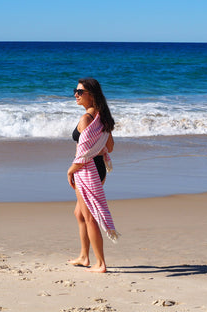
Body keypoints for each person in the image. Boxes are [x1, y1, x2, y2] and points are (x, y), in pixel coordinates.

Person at [67, 78, 119, 273]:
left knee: (89, 217)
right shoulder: (102, 118)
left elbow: (83, 154)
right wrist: (97, 150)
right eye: (76, 91)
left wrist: (71, 170)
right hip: (99, 168)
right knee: (79, 213)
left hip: (86, 169)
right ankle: (83, 256)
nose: (75, 95)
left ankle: (101, 263)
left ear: (91, 95)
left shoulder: (86, 119)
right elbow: (110, 147)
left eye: (79, 92)